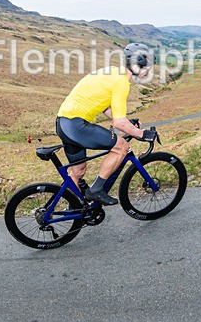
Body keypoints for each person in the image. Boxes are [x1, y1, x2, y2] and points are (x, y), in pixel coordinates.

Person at [55, 43, 157, 205]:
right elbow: (118, 123)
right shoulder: (122, 82)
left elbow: (104, 105)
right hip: (76, 125)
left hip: (64, 123)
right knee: (121, 147)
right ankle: (96, 190)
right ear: (136, 65)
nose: (148, 71)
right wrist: (142, 134)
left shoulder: (113, 72)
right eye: (147, 68)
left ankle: (75, 209)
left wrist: (127, 123)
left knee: (78, 171)